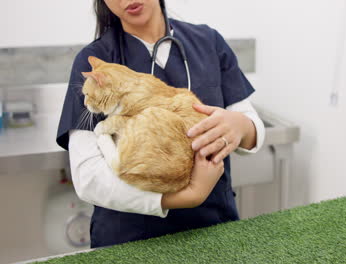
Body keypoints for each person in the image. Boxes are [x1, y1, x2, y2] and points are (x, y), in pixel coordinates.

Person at [56, 0, 265, 248]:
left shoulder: (208, 42)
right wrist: (182, 197)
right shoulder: (98, 61)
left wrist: (240, 126)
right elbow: (88, 177)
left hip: (212, 227)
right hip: (130, 239)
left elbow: (252, 130)